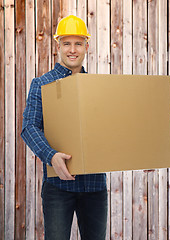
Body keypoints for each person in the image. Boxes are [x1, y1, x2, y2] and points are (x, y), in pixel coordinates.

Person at [21, 15, 107, 240]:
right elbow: (29, 126)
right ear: (58, 46)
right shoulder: (42, 84)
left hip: (94, 186)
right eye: (67, 43)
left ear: (86, 46)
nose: (72, 49)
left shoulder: (100, 88)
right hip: (58, 186)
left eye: (78, 43)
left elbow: (113, 130)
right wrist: (51, 156)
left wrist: (141, 157)